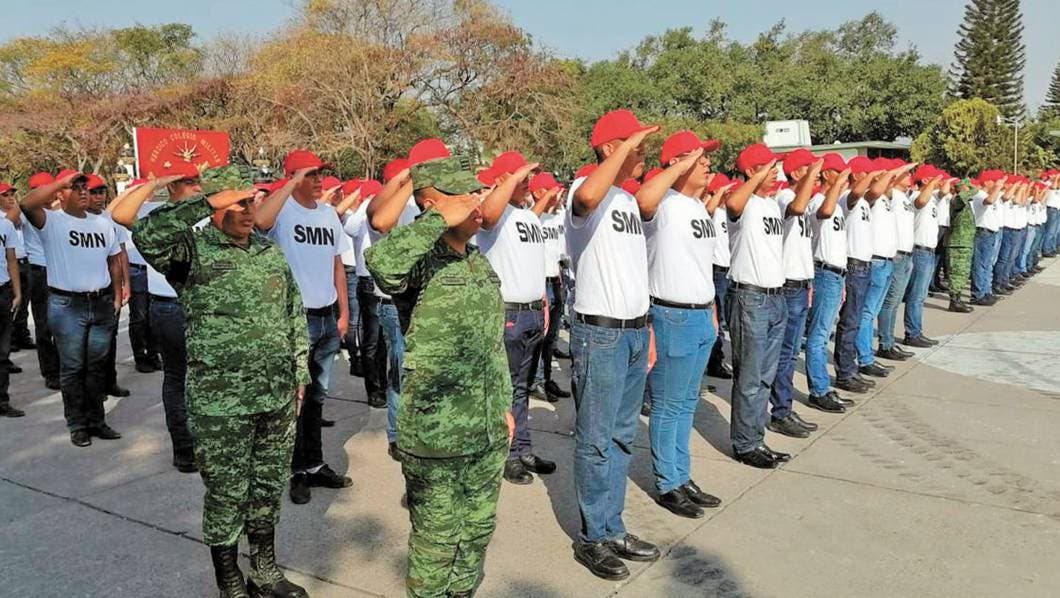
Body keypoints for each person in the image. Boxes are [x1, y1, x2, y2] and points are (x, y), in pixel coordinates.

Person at [133, 182, 310, 598]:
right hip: (221, 401)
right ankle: (229, 578)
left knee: (266, 488)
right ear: (215, 206)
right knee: (227, 492)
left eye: (251, 202)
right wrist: (205, 201)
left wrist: (300, 371)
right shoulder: (191, 252)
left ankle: (264, 572)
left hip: (275, 394)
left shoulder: (269, 252)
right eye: (238, 203)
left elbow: (293, 312)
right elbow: (146, 235)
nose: (249, 210)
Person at [366, 155, 514, 598]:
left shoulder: (475, 260)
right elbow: (382, 264)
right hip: (437, 432)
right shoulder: (419, 260)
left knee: (477, 530)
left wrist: (504, 406)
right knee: (436, 542)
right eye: (464, 196)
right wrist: (434, 221)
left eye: (476, 193)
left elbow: (491, 346)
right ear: (433, 204)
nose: (477, 203)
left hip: (485, 427)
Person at [566, 109, 661, 580]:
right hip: (600, 334)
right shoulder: (584, 191)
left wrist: (648, 328)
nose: (643, 155)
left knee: (622, 436)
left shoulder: (625, 200)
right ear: (610, 149)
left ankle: (613, 526)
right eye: (636, 147)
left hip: (633, 331)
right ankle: (592, 538)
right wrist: (624, 147)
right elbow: (587, 197)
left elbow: (635, 271)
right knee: (596, 439)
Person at [255, 150, 352, 504]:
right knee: (292, 399)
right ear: (294, 177)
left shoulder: (327, 215)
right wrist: (291, 183)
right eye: (309, 174)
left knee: (316, 398)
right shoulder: (282, 211)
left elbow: (337, 264)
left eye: (319, 174)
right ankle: (294, 470)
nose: (318, 180)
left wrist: (344, 312)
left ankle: (313, 463)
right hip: (294, 319)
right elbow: (260, 222)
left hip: (326, 317)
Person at [636, 130, 723, 519]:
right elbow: (644, 200)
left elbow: (701, 265)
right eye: (698, 158)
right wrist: (677, 167)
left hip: (701, 313)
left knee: (687, 403)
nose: (706, 164)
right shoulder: (664, 204)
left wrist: (712, 309)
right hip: (672, 314)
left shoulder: (696, 207)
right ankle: (668, 482)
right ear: (676, 163)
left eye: (706, 158)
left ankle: (682, 476)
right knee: (668, 405)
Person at [110, 165, 204, 473]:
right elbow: (120, 214)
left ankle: (207, 442)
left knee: (205, 378)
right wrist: (157, 183)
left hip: (204, 305)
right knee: (178, 378)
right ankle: (184, 449)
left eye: (198, 181)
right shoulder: (155, 216)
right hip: (170, 307)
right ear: (174, 186)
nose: (197, 187)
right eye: (188, 182)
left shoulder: (203, 213)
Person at [21, 170, 123, 447]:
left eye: (84, 187)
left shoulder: (102, 223)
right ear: (60, 194)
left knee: (96, 366)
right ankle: (77, 425)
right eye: (74, 187)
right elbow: (27, 204)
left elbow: (114, 259)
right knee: (73, 367)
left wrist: (116, 295)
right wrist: (60, 182)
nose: (82, 192)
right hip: (67, 305)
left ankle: (97, 421)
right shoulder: (52, 222)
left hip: (100, 303)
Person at [475, 150, 559, 486]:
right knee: (504, 389)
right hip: (507, 313)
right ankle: (505, 453)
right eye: (521, 178)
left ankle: (522, 448)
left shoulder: (527, 216)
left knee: (521, 388)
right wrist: (508, 181)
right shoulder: (494, 213)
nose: (527, 183)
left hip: (532, 313)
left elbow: (533, 264)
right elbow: (487, 214)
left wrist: (543, 303)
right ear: (502, 181)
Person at [367, 140, 450, 459]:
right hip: (398, 304)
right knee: (403, 374)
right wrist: (409, 179)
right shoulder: (401, 199)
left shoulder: (442, 199)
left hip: (432, 303)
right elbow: (379, 220)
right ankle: (397, 434)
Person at [723, 143, 790, 469]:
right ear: (751, 171)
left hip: (775, 297)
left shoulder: (770, 204)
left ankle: (756, 438)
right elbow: (733, 203)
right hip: (750, 297)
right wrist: (756, 176)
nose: (775, 173)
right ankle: (745, 444)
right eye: (767, 167)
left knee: (765, 376)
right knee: (749, 376)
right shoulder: (742, 201)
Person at [768, 149, 823, 438]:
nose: (816, 174)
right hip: (788, 285)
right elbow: (798, 208)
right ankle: (780, 411)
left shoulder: (800, 198)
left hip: (801, 283)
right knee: (784, 353)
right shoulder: (786, 197)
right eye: (808, 169)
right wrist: (812, 175)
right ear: (795, 172)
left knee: (791, 353)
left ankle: (785, 407)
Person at [855, 159, 915, 380]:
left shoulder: (889, 198)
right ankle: (865, 358)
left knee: (875, 311)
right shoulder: (870, 196)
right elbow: (873, 191)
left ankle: (871, 353)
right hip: (876, 261)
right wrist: (892, 173)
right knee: (867, 313)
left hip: (888, 261)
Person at [803, 154, 853, 412]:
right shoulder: (817, 202)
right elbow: (824, 212)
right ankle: (819, 390)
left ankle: (822, 386)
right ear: (825, 174)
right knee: (818, 336)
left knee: (824, 334)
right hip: (823, 272)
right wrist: (838, 185)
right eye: (838, 172)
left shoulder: (837, 205)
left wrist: (842, 280)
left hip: (836, 274)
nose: (844, 178)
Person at [85, 174, 132, 399]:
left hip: (109, 289)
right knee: (88, 346)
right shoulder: (74, 221)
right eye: (93, 192)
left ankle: (109, 382)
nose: (98, 197)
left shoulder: (111, 220)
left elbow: (121, 254)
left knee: (109, 339)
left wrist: (126, 284)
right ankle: (92, 389)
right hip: (86, 290)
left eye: (101, 192)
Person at [529, 172, 572, 403]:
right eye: (552, 191)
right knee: (540, 336)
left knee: (552, 337)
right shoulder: (533, 218)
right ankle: (535, 381)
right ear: (538, 193)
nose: (558, 195)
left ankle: (546, 378)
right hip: (540, 283)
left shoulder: (556, 218)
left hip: (556, 280)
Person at [22, 172, 61, 390]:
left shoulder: (60, 212)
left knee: (62, 324)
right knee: (44, 324)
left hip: (59, 269)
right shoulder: (27, 214)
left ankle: (65, 367)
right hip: (38, 271)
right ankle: (50, 371)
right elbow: (14, 215)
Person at [875, 161, 917, 361]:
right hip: (897, 254)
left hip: (906, 253)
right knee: (889, 301)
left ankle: (889, 341)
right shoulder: (891, 195)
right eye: (906, 173)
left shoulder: (904, 196)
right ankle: (885, 343)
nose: (910, 176)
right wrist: (893, 173)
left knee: (895, 302)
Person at [0, 183, 32, 353]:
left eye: (12, 194)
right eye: (5, 195)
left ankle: (22, 335)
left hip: (24, 261)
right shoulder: (3, 219)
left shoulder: (20, 215)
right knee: (10, 304)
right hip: (9, 264)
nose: (11, 198)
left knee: (23, 303)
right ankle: (10, 340)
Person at [969, 170, 1006, 307]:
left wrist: (997, 187)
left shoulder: (989, 195)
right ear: (986, 182)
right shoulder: (979, 194)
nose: (997, 183)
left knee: (987, 264)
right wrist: (998, 187)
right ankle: (978, 294)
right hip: (982, 233)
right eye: (994, 181)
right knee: (980, 264)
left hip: (990, 233)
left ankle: (986, 291)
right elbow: (989, 201)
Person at [0, 210, 23, 417]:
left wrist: (17, 292)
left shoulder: (5, 225)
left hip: (3, 292)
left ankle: (2, 400)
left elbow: (11, 260)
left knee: (2, 351)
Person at [946, 180, 978, 312]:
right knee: (957, 273)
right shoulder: (958, 199)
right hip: (958, 243)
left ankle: (957, 299)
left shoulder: (964, 201)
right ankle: (954, 301)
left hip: (964, 242)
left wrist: (967, 185)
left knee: (963, 273)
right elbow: (975, 190)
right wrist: (967, 185)